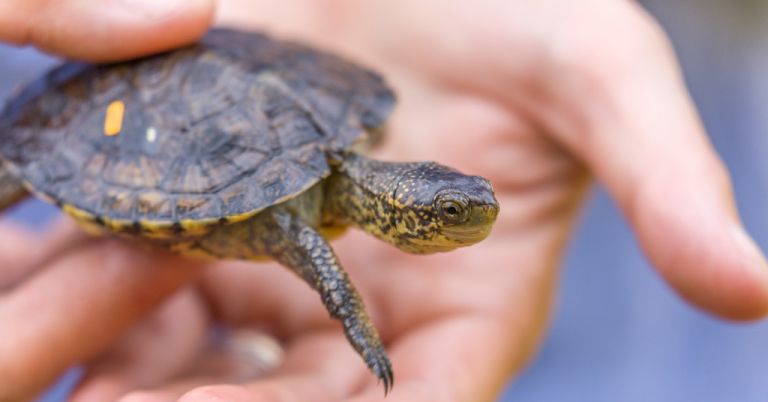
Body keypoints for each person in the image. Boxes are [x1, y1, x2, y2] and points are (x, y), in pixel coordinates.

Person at [1, 1, 766, 401]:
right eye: (450, 215)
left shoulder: (352, 134)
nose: (472, 216)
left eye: (461, 207)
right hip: (102, 106)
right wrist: (358, 324)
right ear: (406, 214)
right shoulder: (301, 213)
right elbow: (313, 251)